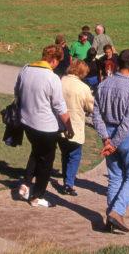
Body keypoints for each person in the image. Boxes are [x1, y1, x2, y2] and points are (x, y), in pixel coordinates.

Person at [15, 45, 74, 208]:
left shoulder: (26, 69)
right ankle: (37, 196)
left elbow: (17, 91)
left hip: (27, 121)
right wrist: (69, 127)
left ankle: (26, 183)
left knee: (36, 152)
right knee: (46, 161)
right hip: (46, 126)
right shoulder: (52, 77)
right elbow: (60, 106)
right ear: (53, 60)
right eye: (57, 62)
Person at [92, 49, 129, 233]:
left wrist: (106, 138)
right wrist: (112, 142)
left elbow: (96, 114)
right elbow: (128, 122)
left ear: (116, 63)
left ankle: (110, 217)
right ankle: (117, 211)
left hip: (108, 131)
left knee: (115, 177)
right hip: (125, 135)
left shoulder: (103, 84)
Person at [57, 60, 94, 196]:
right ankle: (69, 183)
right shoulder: (83, 87)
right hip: (75, 124)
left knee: (65, 153)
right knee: (74, 155)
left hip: (59, 123)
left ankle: (66, 178)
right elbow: (91, 107)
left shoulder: (61, 81)